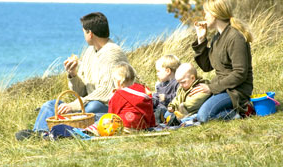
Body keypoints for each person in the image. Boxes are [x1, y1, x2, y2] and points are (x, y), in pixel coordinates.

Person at [16, 12, 128, 140]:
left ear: (90, 33)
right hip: (86, 103)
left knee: (93, 106)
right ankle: (40, 134)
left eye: (84, 32)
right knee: (50, 105)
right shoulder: (90, 52)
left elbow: (106, 92)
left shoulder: (112, 53)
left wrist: (73, 106)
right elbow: (81, 91)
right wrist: (73, 74)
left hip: (107, 106)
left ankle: (71, 134)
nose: (84, 35)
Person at [191, 0, 254, 123]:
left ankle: (243, 111)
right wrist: (201, 39)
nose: (205, 17)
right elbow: (207, 66)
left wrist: (212, 88)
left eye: (206, 13)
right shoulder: (217, 37)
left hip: (236, 91)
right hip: (222, 87)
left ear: (214, 14)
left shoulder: (235, 37)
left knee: (204, 116)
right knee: (194, 111)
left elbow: (240, 73)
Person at [108, 62, 156, 131]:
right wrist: (152, 124)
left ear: (118, 82)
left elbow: (112, 113)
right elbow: (150, 110)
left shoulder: (119, 94)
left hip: (125, 125)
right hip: (143, 126)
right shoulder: (144, 90)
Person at [152, 55, 180, 123]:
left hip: (169, 108)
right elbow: (157, 96)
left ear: (168, 71)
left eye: (158, 71)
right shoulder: (160, 85)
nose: (157, 74)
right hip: (159, 107)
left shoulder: (177, 83)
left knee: (161, 110)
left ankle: (158, 120)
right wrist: (151, 100)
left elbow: (178, 97)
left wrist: (166, 98)